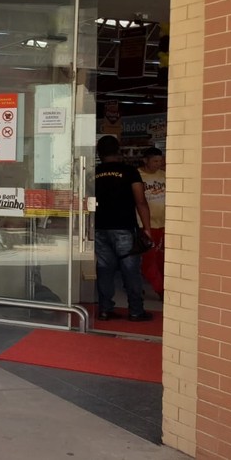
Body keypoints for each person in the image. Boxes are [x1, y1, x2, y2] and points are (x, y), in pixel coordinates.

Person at [94, 135, 153, 322]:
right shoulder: (129, 172)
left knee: (104, 270)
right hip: (124, 228)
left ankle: (105, 309)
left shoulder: (92, 173)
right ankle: (136, 311)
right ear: (118, 151)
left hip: (100, 228)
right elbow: (141, 201)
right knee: (130, 271)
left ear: (98, 153)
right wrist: (147, 228)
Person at [138, 147, 166, 298]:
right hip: (146, 225)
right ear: (145, 160)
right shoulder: (137, 176)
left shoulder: (164, 175)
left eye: (160, 160)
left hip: (164, 223)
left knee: (161, 258)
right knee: (148, 259)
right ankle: (160, 289)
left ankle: (163, 284)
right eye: (155, 161)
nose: (158, 164)